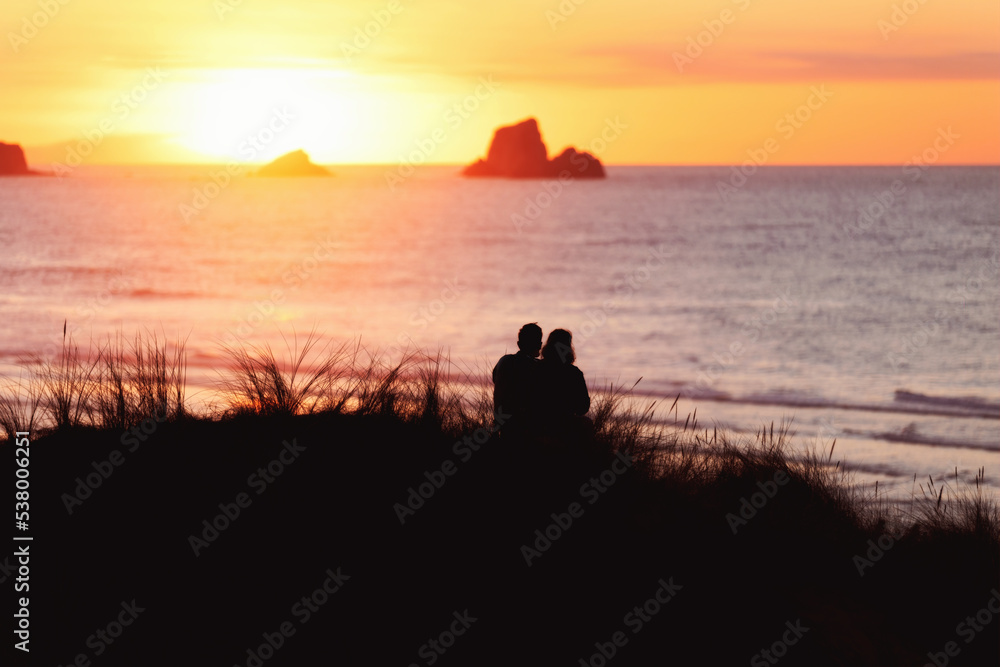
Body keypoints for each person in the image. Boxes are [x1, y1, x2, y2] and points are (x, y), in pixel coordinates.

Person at [537, 329, 590, 438]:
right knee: (587, 423)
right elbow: (583, 407)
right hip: (565, 425)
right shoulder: (574, 373)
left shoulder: (536, 368)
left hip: (538, 423)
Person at [492, 323, 543, 436]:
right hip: (525, 427)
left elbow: (495, 379)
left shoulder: (504, 361)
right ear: (540, 345)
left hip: (502, 425)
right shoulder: (537, 367)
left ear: (518, 344)